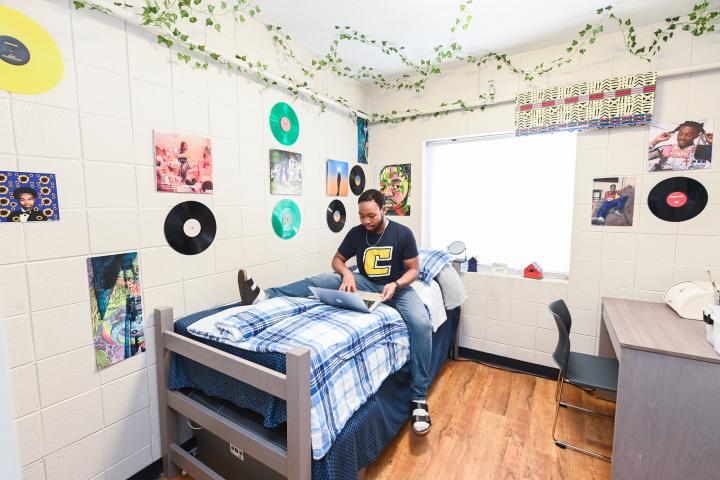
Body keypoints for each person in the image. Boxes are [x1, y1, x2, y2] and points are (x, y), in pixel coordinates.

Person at [237, 189, 433, 435]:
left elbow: (414, 269)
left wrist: (396, 284)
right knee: (323, 279)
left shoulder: (402, 234)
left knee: (422, 325)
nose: (365, 221)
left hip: (398, 288)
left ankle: (419, 400)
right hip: (365, 281)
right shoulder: (356, 233)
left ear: (384, 209)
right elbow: (337, 260)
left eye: (371, 215)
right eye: (361, 216)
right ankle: (263, 296)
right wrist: (348, 273)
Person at [648, 121, 713, 171]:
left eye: (688, 135)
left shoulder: (703, 149)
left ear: (697, 135)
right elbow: (641, 157)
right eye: (680, 134)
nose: (682, 137)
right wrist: (656, 141)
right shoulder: (666, 148)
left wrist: (713, 143)